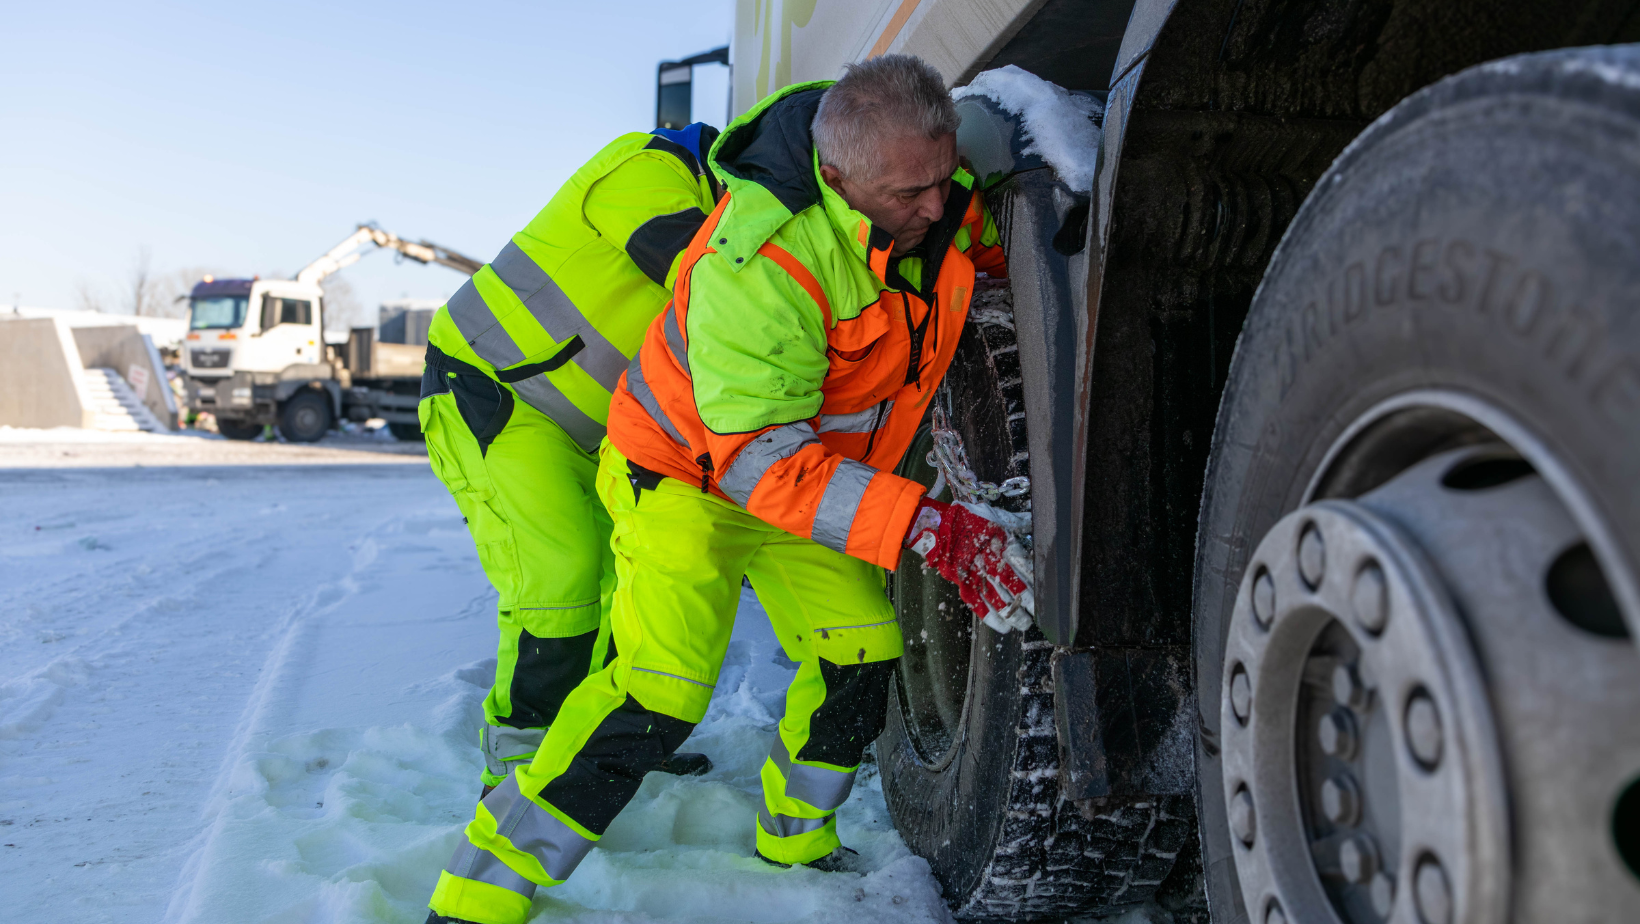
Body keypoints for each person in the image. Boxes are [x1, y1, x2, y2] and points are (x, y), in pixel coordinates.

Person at [425, 55, 1033, 924]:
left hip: (803, 472)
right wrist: (923, 525)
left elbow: (961, 237)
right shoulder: (758, 267)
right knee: (656, 693)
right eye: (909, 194)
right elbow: (755, 461)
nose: (934, 206)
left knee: (860, 649)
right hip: (686, 480)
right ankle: (478, 893)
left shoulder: (916, 198)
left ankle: (795, 839)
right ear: (836, 177)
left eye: (943, 179)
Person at [418, 122, 723, 800]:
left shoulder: (703, 200)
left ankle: (605, 746)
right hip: (489, 388)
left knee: (630, 577)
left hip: (584, 429)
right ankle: (520, 766)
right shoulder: (650, 166)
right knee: (559, 574)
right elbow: (699, 273)